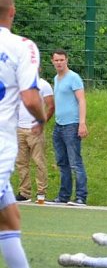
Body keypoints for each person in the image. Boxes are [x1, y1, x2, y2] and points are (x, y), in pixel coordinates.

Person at [0, 0, 67, 268]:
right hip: (0, 146)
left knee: (10, 218)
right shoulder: (20, 46)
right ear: (12, 12)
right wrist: (41, 119)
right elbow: (30, 99)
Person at [49, 48, 88, 206]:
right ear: (52, 61)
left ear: (67, 60)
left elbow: (81, 100)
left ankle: (80, 197)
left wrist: (82, 122)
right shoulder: (56, 78)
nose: (59, 62)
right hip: (59, 125)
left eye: (61, 60)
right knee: (62, 162)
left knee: (75, 162)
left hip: (71, 125)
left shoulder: (74, 78)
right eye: (56, 60)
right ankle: (63, 195)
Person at [14, 68, 55, 204]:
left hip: (35, 130)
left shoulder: (43, 85)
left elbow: (50, 106)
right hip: (20, 128)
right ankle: (24, 193)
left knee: (39, 161)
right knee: (21, 162)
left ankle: (41, 193)